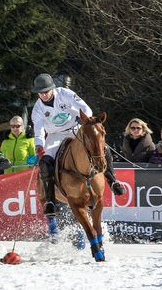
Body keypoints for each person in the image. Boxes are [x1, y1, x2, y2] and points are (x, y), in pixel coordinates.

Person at [31, 73, 126, 217]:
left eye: (46, 91)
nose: (43, 95)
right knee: (45, 163)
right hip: (55, 136)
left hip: (76, 129)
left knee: (102, 148)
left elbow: (85, 108)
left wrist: (85, 122)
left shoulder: (65, 93)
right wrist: (38, 146)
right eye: (40, 93)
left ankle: (113, 181)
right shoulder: (37, 109)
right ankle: (50, 202)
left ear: (52, 89)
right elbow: (38, 131)